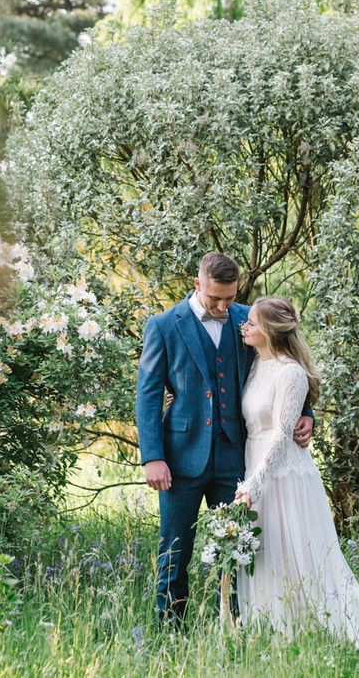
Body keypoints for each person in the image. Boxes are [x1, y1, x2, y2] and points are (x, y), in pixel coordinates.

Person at [136, 253, 314, 627]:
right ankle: (170, 629)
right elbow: (149, 395)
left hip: (236, 458)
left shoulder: (249, 320)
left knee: (241, 550)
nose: (222, 306)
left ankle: (238, 625)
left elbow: (284, 365)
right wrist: (152, 456)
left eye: (229, 298)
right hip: (180, 457)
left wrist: (305, 414)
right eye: (215, 298)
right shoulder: (164, 326)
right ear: (198, 283)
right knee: (174, 548)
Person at [234, 296, 359, 652]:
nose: (246, 326)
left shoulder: (291, 372)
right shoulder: (257, 362)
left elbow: (280, 431)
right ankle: (270, 626)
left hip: (284, 475)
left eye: (253, 323)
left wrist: (255, 483)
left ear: (271, 331)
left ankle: (308, 625)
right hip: (254, 466)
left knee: (294, 552)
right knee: (267, 552)